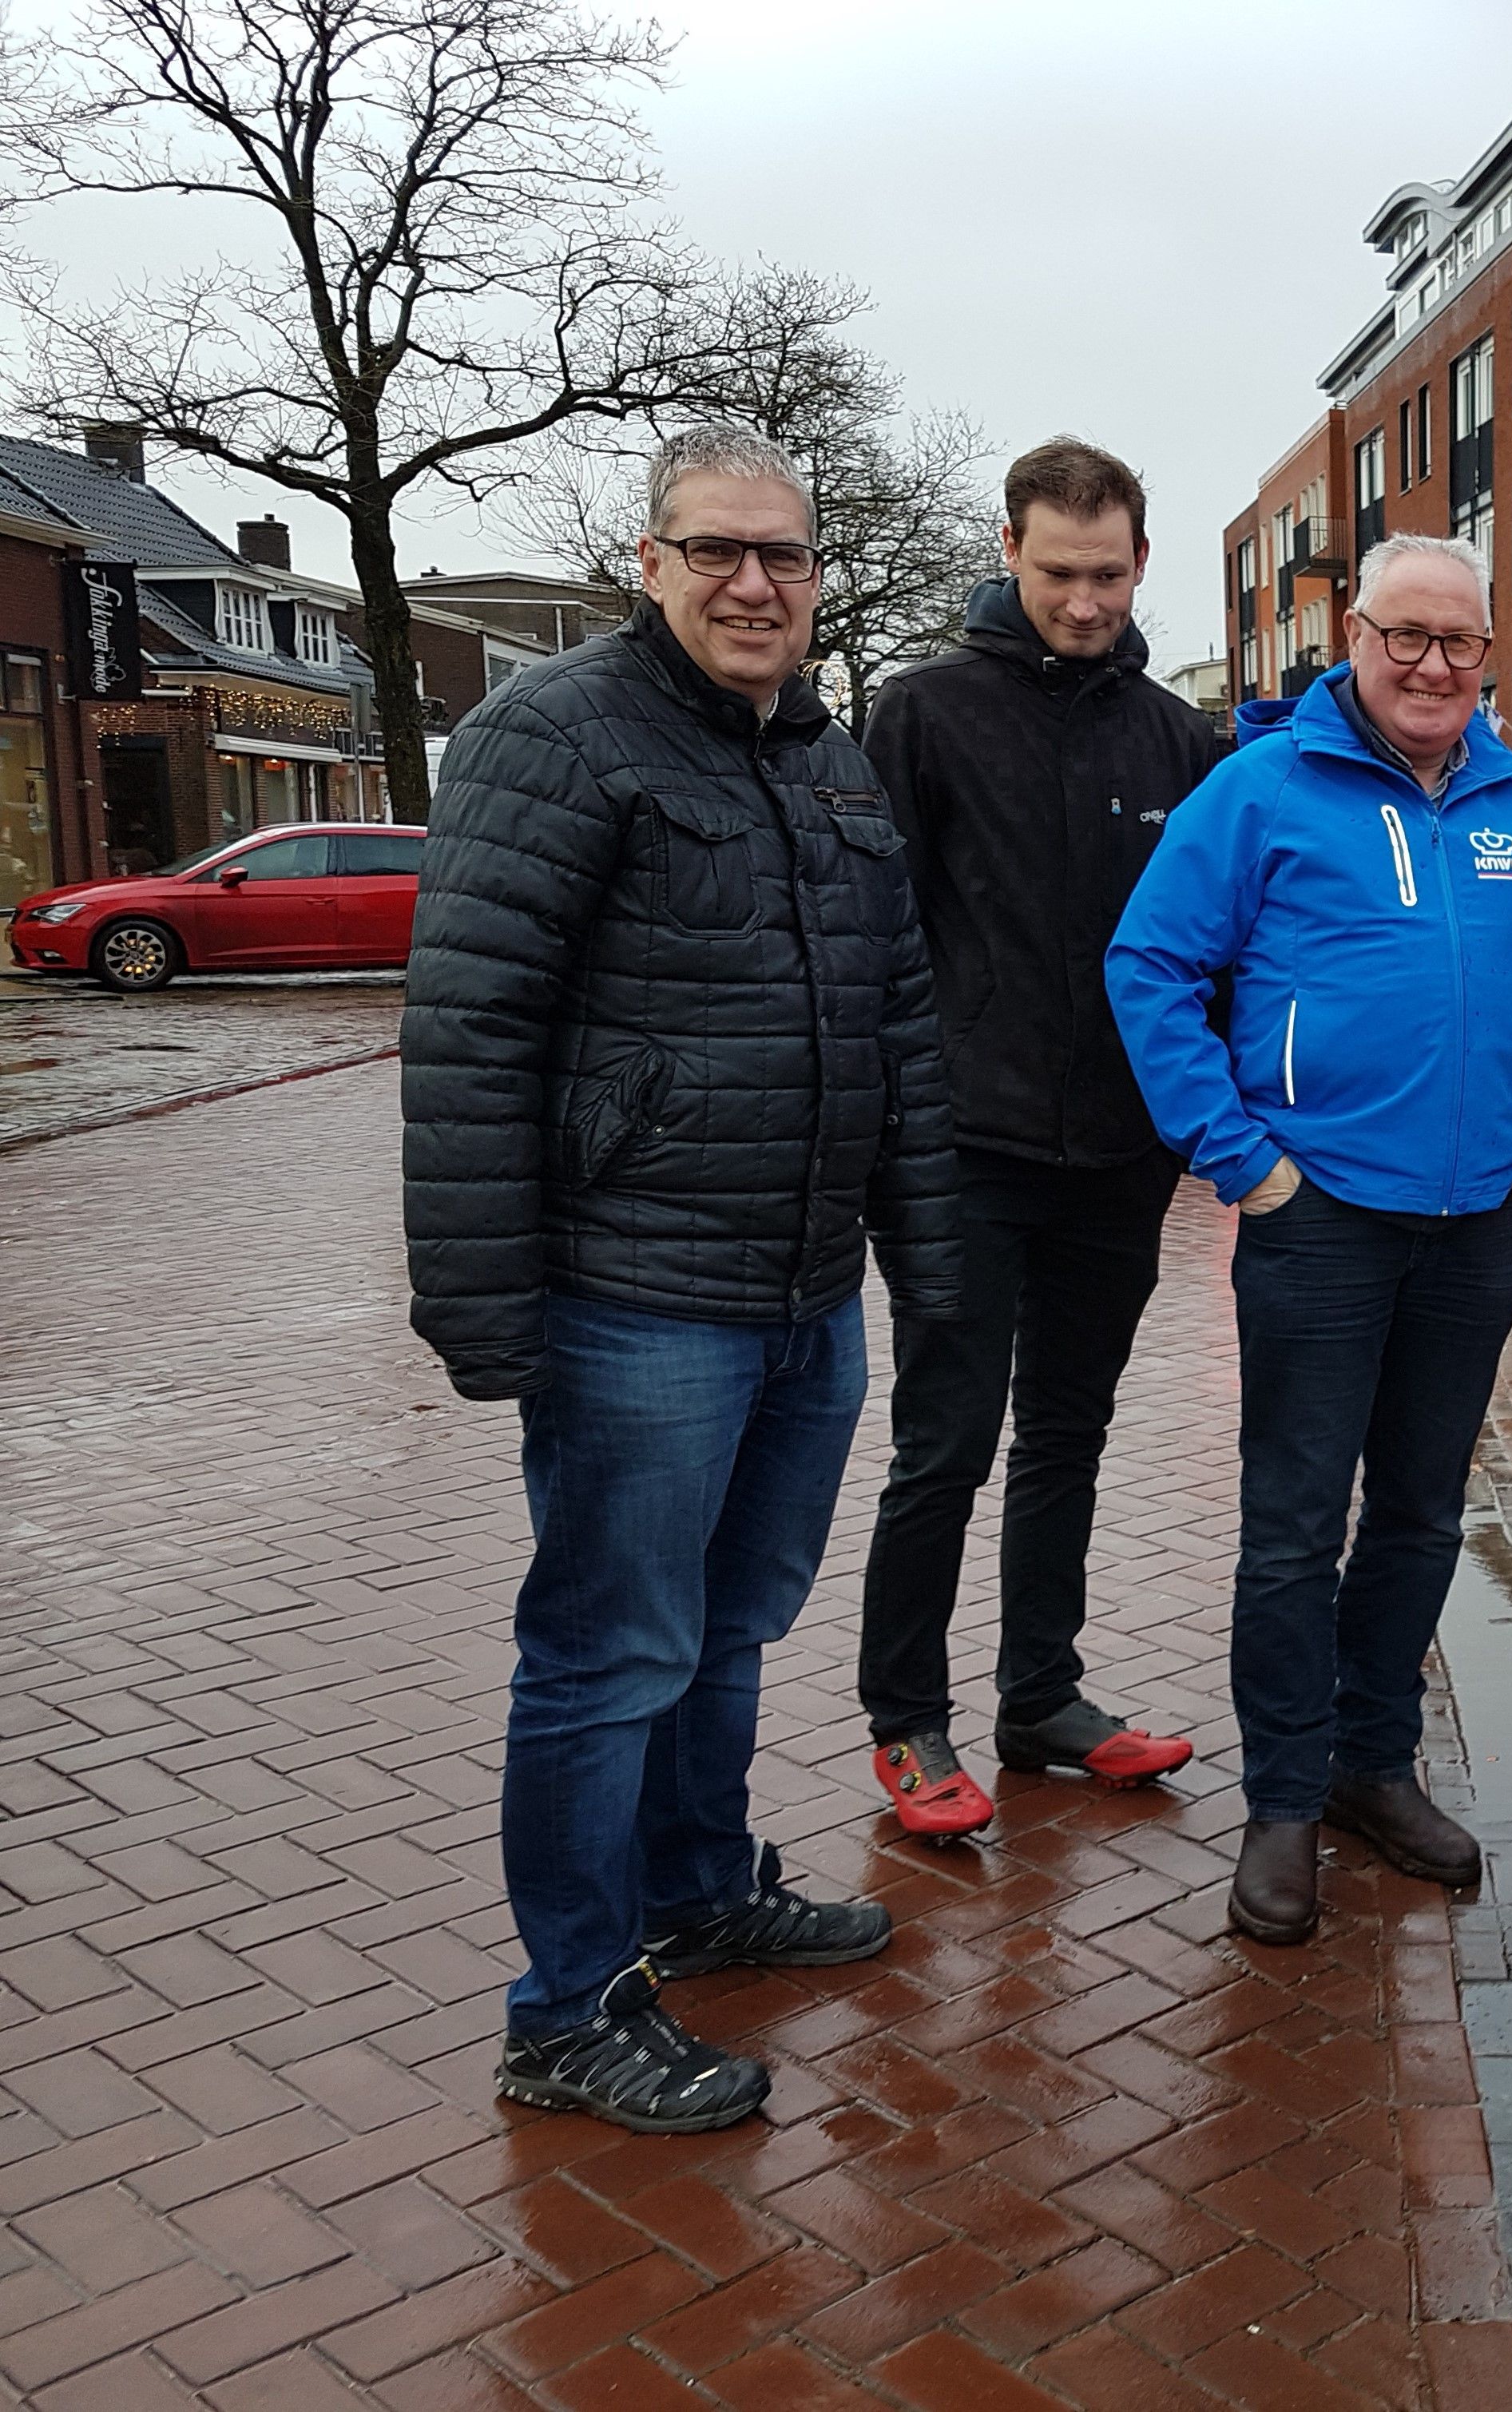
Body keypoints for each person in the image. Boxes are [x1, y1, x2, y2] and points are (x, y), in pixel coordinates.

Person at [402, 426, 958, 2129]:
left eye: (782, 556)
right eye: (715, 551)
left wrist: (926, 1260)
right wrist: (484, 1307)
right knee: (606, 1653)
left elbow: (899, 1025)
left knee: (732, 1627)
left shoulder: (833, 761)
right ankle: (566, 2006)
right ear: (648, 564)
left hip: (802, 1298)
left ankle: (698, 1887)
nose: (754, 583)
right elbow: (470, 1034)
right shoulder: (551, 739)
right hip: (633, 1298)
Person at [1105, 533, 1512, 1946]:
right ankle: (1282, 1797)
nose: (1433, 666)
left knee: (1423, 1514)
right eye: (1406, 637)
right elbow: (1147, 966)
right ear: (1354, 640)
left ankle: (1376, 1765)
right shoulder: (1261, 790)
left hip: (1470, 1231)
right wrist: (1238, 1155)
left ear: (1486, 663)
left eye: (1460, 645)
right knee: (1294, 1524)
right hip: (1318, 1227)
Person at [851, 438, 1225, 1836]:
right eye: (1060, 573)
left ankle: (1039, 1696)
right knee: (943, 1440)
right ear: (1008, 553)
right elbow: (872, 931)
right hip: (965, 1151)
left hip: (1120, 1158)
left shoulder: (1173, 741)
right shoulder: (926, 716)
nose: (1085, 602)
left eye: (1110, 575)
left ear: (1141, 563)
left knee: (1068, 1430)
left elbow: (1214, 945)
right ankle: (905, 1720)